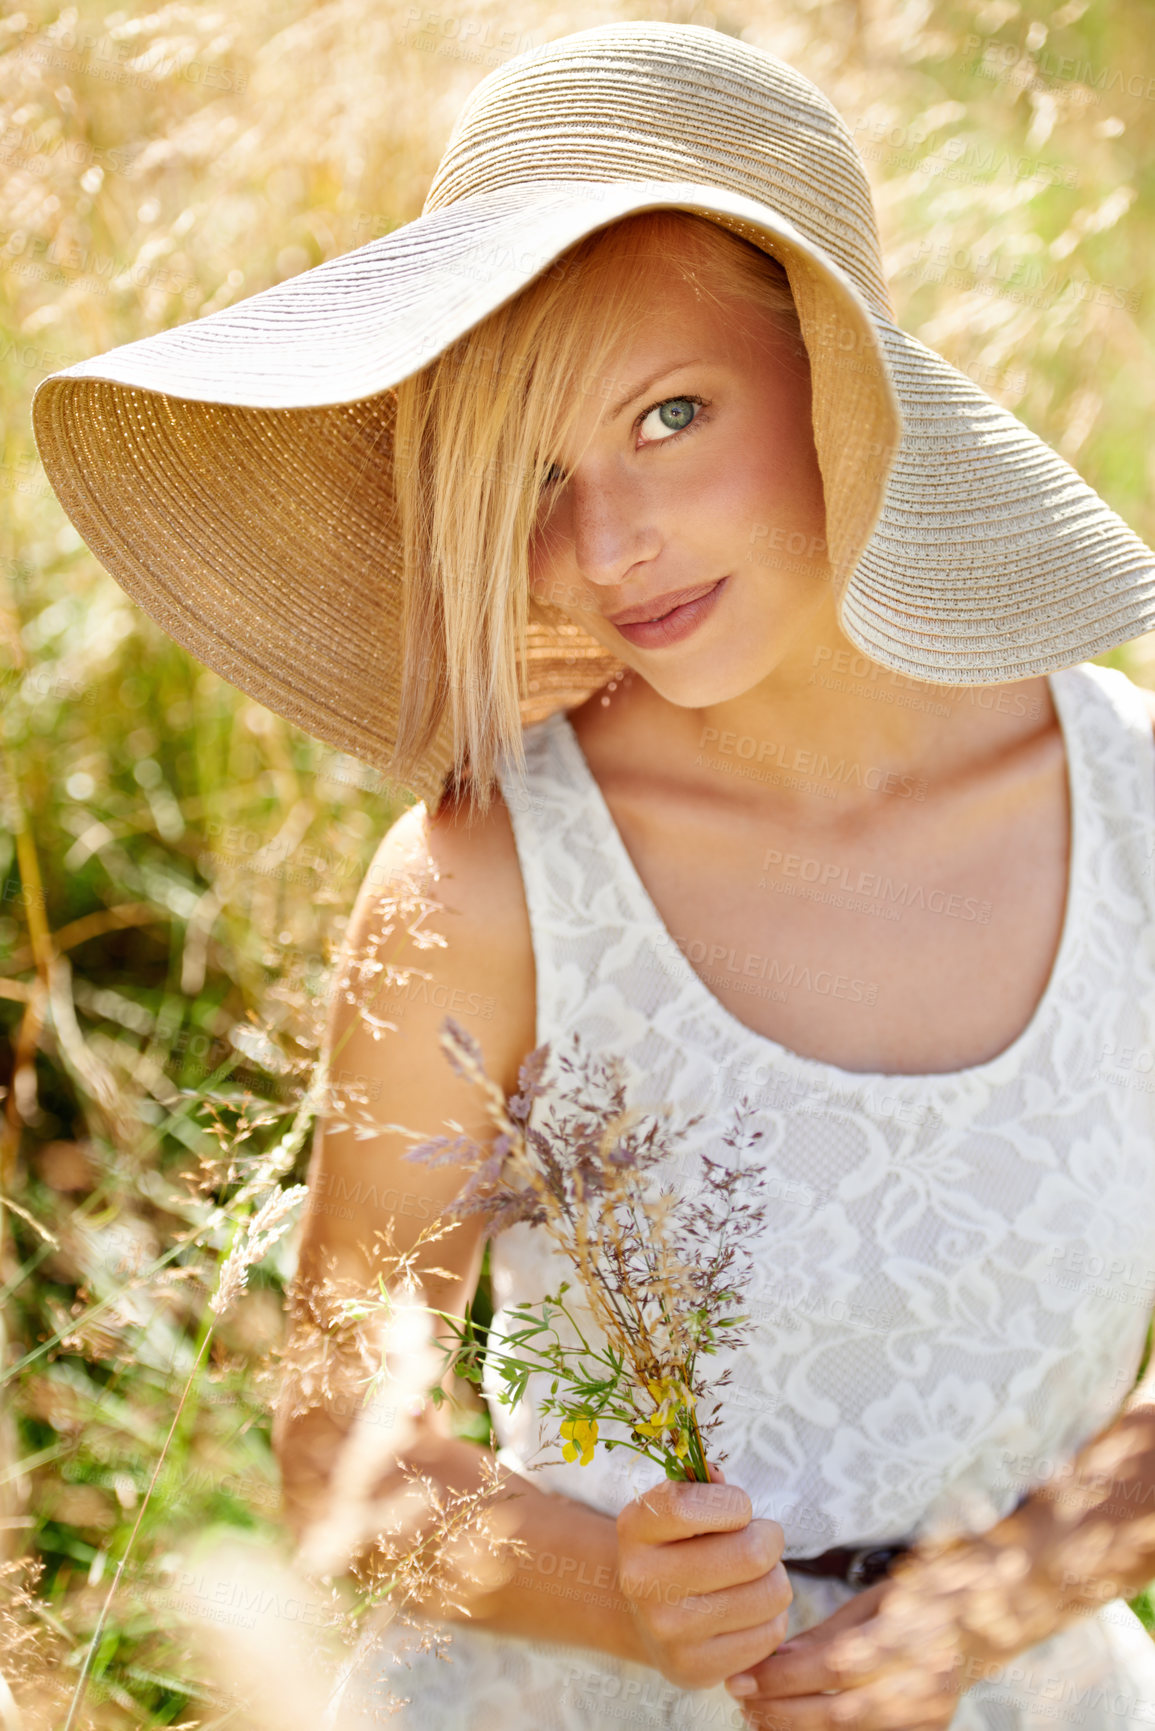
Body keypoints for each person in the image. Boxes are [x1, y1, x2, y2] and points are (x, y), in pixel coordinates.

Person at [29, 19, 1155, 1731]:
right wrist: (618, 1595)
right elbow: (342, 1452)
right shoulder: (490, 883)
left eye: (670, 417)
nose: (605, 548)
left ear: (838, 370)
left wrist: (981, 1610)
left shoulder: (1139, 812)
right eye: (536, 478)